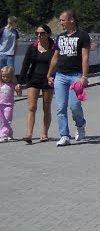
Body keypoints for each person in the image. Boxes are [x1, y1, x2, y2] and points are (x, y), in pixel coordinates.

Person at [47, 9, 89, 147]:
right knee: (60, 107)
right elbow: (55, 57)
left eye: (63, 20)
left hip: (75, 76)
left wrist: (84, 76)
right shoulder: (60, 37)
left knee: (74, 106)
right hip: (60, 75)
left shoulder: (83, 36)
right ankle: (64, 135)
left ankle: (81, 125)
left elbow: (85, 57)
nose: (61, 23)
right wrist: (49, 74)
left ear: (71, 20)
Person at [16, 24, 55, 143]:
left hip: (48, 79)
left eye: (42, 33)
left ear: (48, 34)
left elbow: (58, 64)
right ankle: (29, 134)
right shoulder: (32, 47)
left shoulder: (54, 48)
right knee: (31, 107)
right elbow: (25, 65)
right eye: (37, 33)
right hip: (33, 79)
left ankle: (44, 133)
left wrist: (55, 77)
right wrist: (19, 82)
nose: (39, 35)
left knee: (46, 107)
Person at [0, 66, 14, 142]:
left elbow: (19, 94)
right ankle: (9, 132)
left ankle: (3, 135)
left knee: (7, 119)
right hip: (0, 105)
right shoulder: (0, 84)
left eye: (8, 77)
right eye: (3, 76)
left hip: (8, 105)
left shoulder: (12, 85)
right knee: (2, 120)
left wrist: (19, 89)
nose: (5, 78)